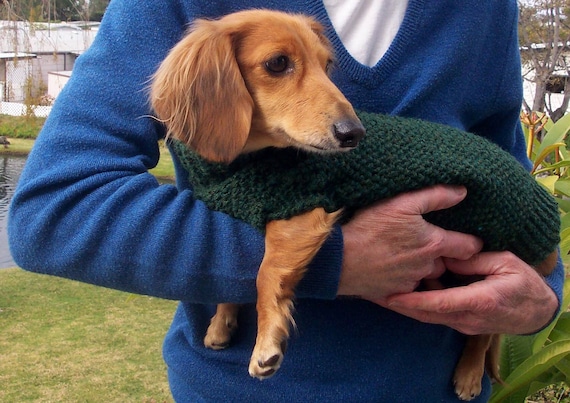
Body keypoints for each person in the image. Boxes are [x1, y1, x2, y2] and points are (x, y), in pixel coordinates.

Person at [8, 1, 563, 402]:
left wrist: (544, 295)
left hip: (434, 389)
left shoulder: (484, 10)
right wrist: (332, 259)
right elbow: (56, 209)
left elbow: (502, 177)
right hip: (239, 390)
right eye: (280, 66)